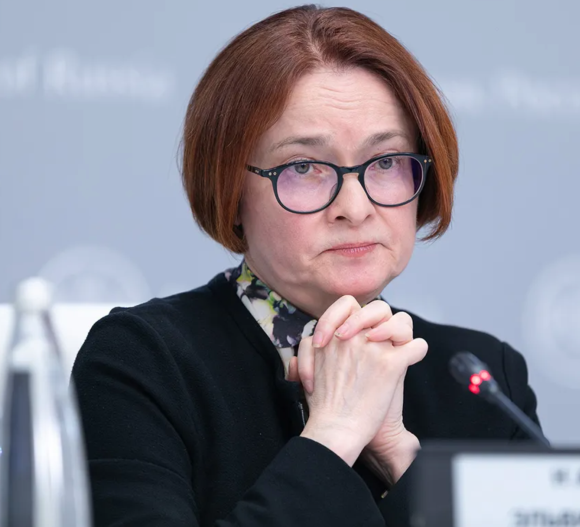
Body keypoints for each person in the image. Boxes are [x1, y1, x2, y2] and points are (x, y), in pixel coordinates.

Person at [71, 5, 547, 526]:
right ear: (230, 190)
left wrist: (403, 461)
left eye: (387, 161)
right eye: (304, 167)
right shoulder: (141, 362)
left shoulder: (482, 378)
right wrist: (335, 434)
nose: (356, 208)